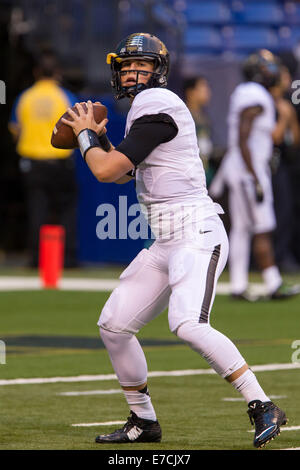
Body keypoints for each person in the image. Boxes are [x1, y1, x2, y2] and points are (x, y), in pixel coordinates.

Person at [62, 33, 287, 448]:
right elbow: (130, 171)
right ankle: (144, 422)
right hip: (168, 239)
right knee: (114, 325)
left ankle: (262, 404)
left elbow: (105, 171)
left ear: (158, 71)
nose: (131, 73)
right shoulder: (148, 111)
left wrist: (85, 136)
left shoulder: (157, 105)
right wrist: (102, 141)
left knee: (186, 323)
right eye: (126, 66)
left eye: (140, 66)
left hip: (196, 232)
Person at [209, 49, 300, 301]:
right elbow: (242, 136)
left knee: (241, 229)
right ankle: (273, 282)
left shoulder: (248, 92)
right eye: (270, 67)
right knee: (262, 228)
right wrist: (254, 175)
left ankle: (238, 285)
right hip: (250, 171)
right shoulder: (255, 95)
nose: (275, 72)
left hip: (242, 168)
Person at [9, 50, 78, 268]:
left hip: (34, 162)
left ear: (36, 72)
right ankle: (67, 259)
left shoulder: (25, 97)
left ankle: (36, 259)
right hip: (61, 162)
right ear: (57, 72)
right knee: (66, 211)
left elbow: (14, 129)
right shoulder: (66, 96)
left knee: (37, 210)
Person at [270, 65, 300, 273]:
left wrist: (289, 116)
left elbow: (295, 139)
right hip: (270, 164)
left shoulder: (287, 103)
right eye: (285, 75)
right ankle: (274, 257)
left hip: (286, 164)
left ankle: (282, 254)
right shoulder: (266, 104)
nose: (288, 79)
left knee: (286, 211)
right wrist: (283, 117)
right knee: (273, 215)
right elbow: (276, 137)